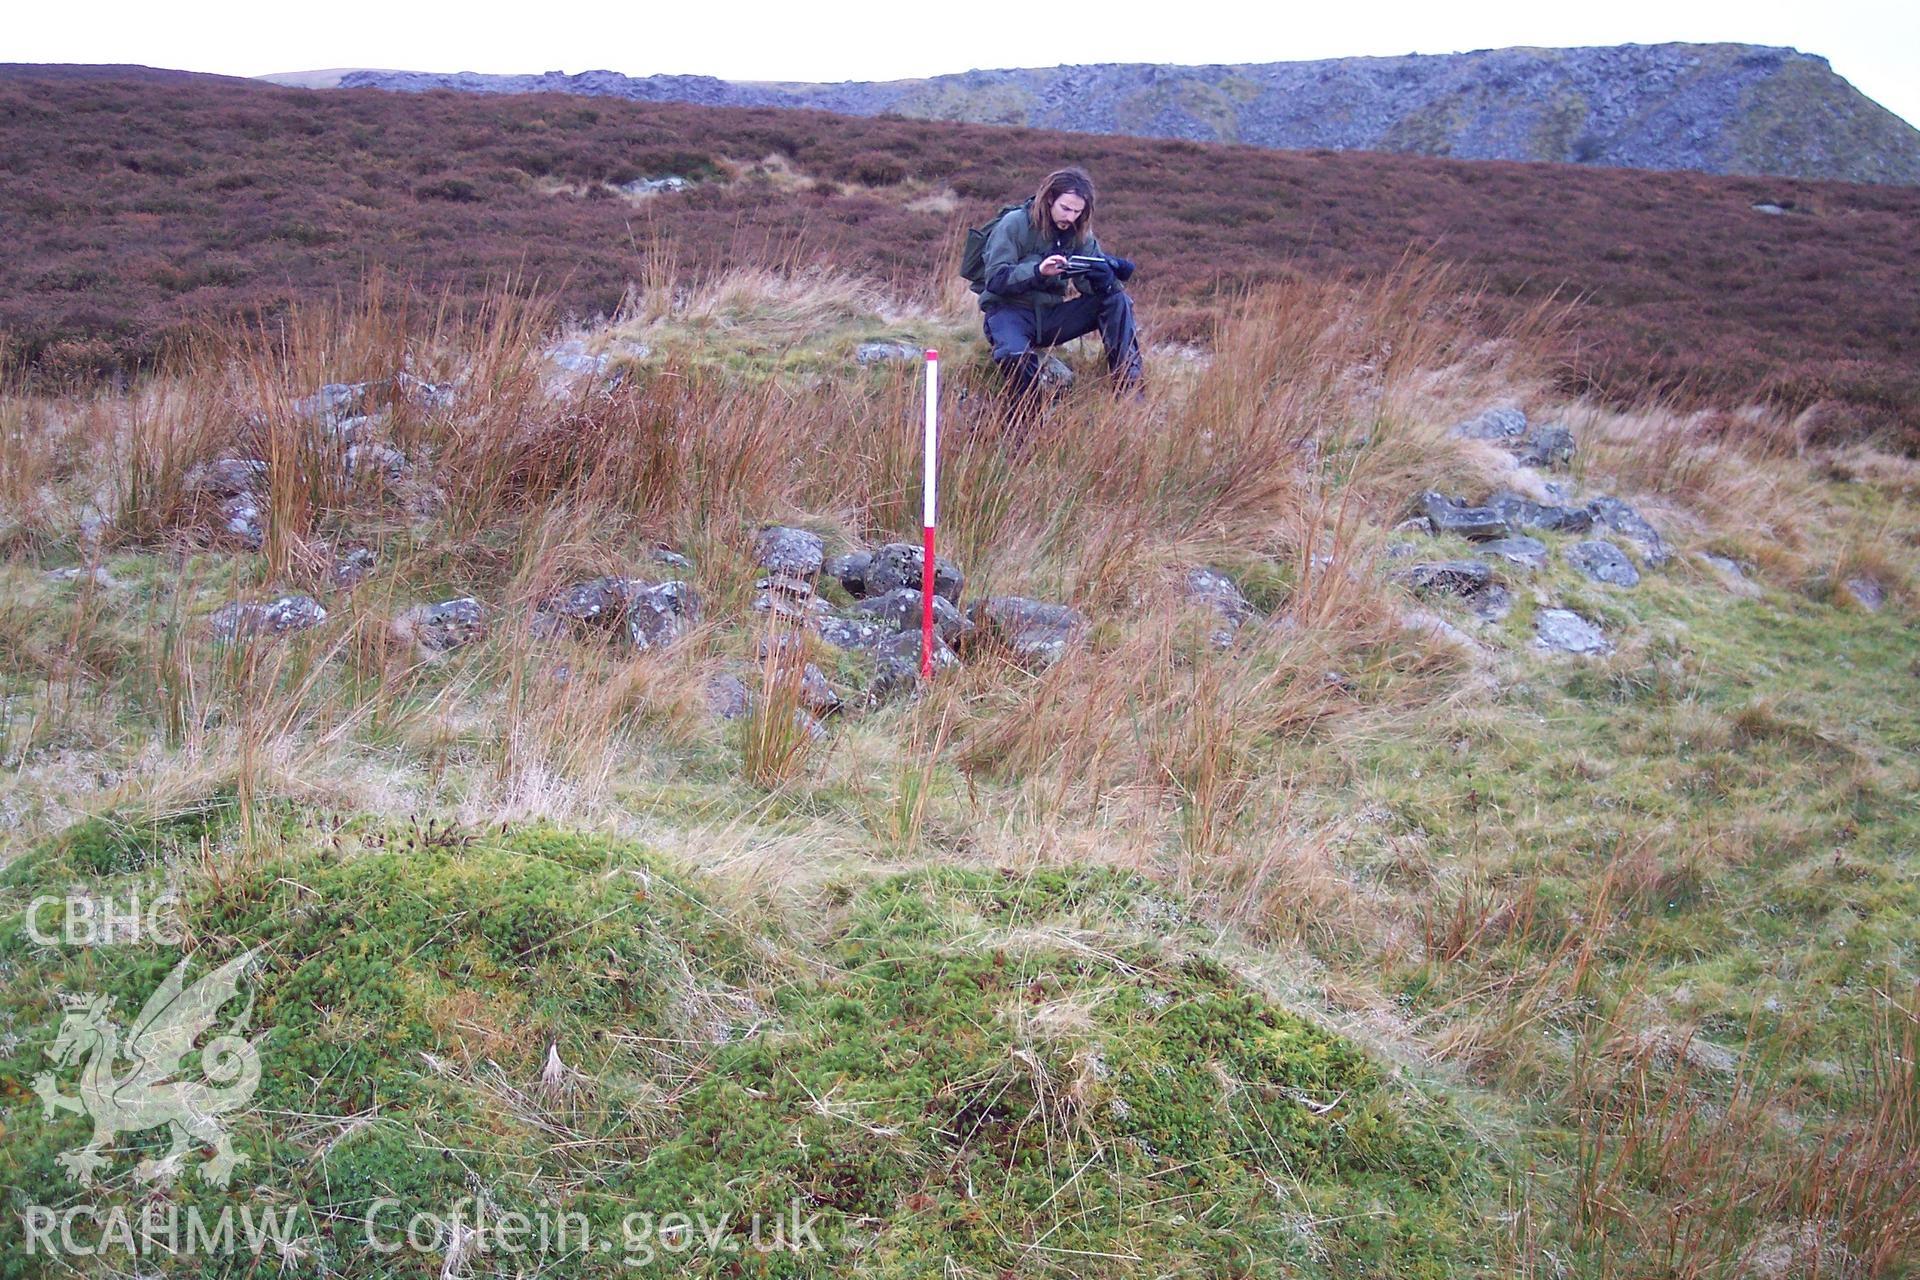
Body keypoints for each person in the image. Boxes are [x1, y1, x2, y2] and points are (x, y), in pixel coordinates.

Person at [977, 167, 1143, 421]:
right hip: (1008, 312)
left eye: (1078, 211)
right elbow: (996, 280)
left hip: (1052, 316)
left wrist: (1105, 279)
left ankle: (1129, 392)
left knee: (1116, 300)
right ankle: (1024, 424)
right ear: (1050, 198)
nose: (1072, 217)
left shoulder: (1079, 232)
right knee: (1013, 355)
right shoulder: (1015, 224)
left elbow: (1094, 287)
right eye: (1066, 208)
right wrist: (1038, 271)